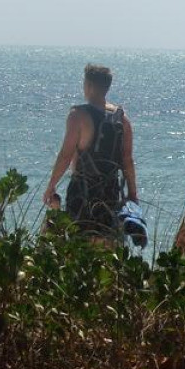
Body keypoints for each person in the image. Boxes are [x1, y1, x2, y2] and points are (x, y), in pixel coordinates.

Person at [43, 64, 137, 242]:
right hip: (111, 191)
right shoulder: (122, 119)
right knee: (106, 242)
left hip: (82, 190)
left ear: (90, 86)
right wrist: (133, 195)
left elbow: (66, 155)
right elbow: (127, 160)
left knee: (78, 243)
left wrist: (51, 185)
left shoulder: (78, 115)